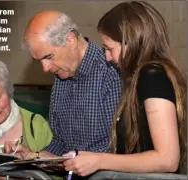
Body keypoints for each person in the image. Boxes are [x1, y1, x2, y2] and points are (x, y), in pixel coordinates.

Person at [63, 1, 187, 176]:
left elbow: (167, 159)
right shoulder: (142, 77)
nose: (107, 57)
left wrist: (99, 160)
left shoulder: (152, 76)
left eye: (109, 48)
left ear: (131, 43)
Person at [5, 10, 122, 160]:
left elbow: (113, 145)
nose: (45, 68)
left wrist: (74, 160)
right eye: (39, 60)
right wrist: (35, 156)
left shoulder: (111, 72)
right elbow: (60, 143)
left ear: (70, 40)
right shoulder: (61, 75)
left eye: (48, 57)